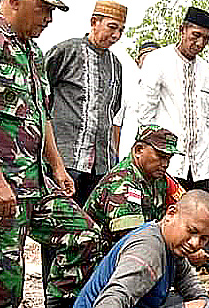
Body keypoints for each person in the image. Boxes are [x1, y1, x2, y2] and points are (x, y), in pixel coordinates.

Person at [0, 0, 103, 308]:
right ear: (14, 1)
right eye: (43, 8)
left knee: (83, 236)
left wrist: (57, 167)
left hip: (36, 181)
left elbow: (41, 115)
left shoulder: (32, 51)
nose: (49, 18)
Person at [67, 190, 209, 308]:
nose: (195, 243)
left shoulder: (171, 244)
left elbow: (190, 284)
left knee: (190, 304)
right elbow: (112, 300)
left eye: (204, 238)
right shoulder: (148, 249)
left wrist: (202, 299)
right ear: (171, 214)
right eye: (192, 231)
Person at [45, 0, 126, 204]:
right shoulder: (66, 51)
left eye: (121, 30)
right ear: (94, 22)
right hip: (65, 159)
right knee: (60, 220)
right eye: (112, 27)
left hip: (101, 164)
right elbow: (41, 95)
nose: (116, 35)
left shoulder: (116, 65)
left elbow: (112, 109)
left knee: (91, 223)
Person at [137, 6, 209, 193]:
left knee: (200, 219)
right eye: (196, 35)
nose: (200, 43)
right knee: (168, 218)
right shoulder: (157, 60)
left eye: (206, 38)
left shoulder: (207, 70)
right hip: (168, 164)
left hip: (200, 165)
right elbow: (144, 116)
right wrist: (149, 158)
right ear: (182, 30)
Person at [115, 41, 160, 160]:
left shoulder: (167, 90)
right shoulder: (127, 87)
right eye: (147, 58)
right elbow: (117, 124)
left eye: (155, 58)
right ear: (138, 62)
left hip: (157, 159)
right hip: (128, 155)